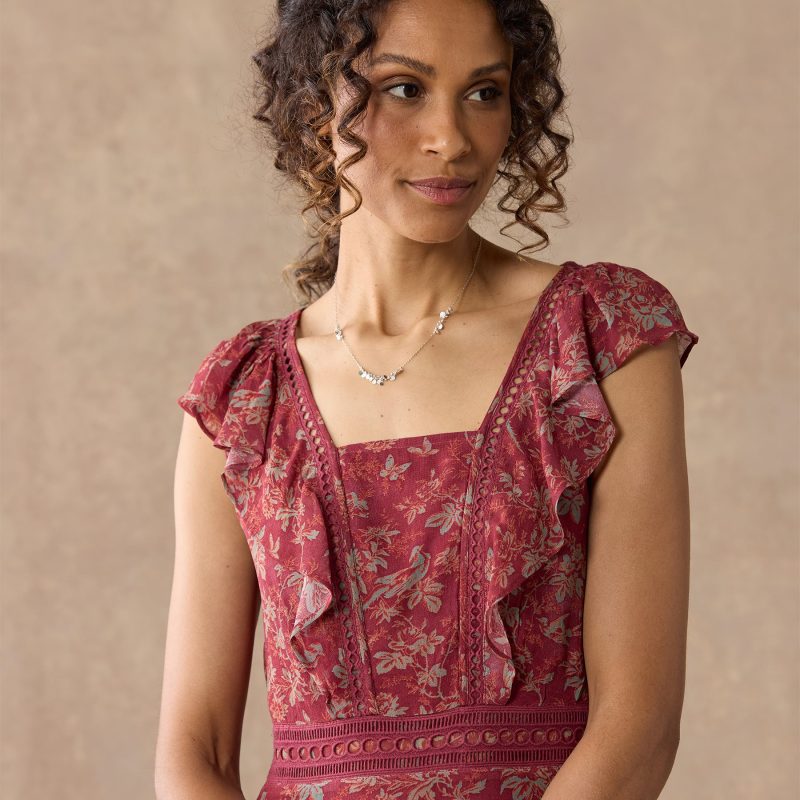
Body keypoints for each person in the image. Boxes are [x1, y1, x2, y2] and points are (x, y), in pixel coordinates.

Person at [156, 1, 700, 798]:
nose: (452, 138)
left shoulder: (598, 340)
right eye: (404, 89)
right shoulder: (244, 398)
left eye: (484, 92)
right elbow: (193, 753)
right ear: (316, 102)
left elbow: (639, 725)